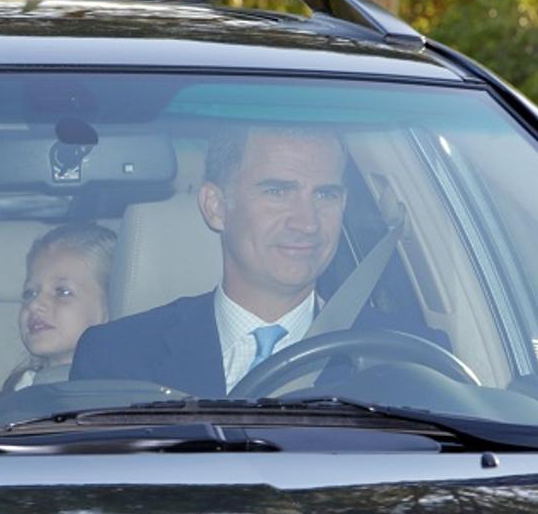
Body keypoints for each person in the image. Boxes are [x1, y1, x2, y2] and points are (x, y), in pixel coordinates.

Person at [70, 125, 348, 397]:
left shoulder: (384, 355)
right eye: (276, 192)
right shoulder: (118, 357)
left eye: (325, 195)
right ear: (215, 206)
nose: (307, 223)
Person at [0, 222, 116, 395]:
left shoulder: (118, 393)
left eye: (62, 292)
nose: (34, 304)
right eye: (30, 293)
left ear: (111, 305)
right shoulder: (18, 388)